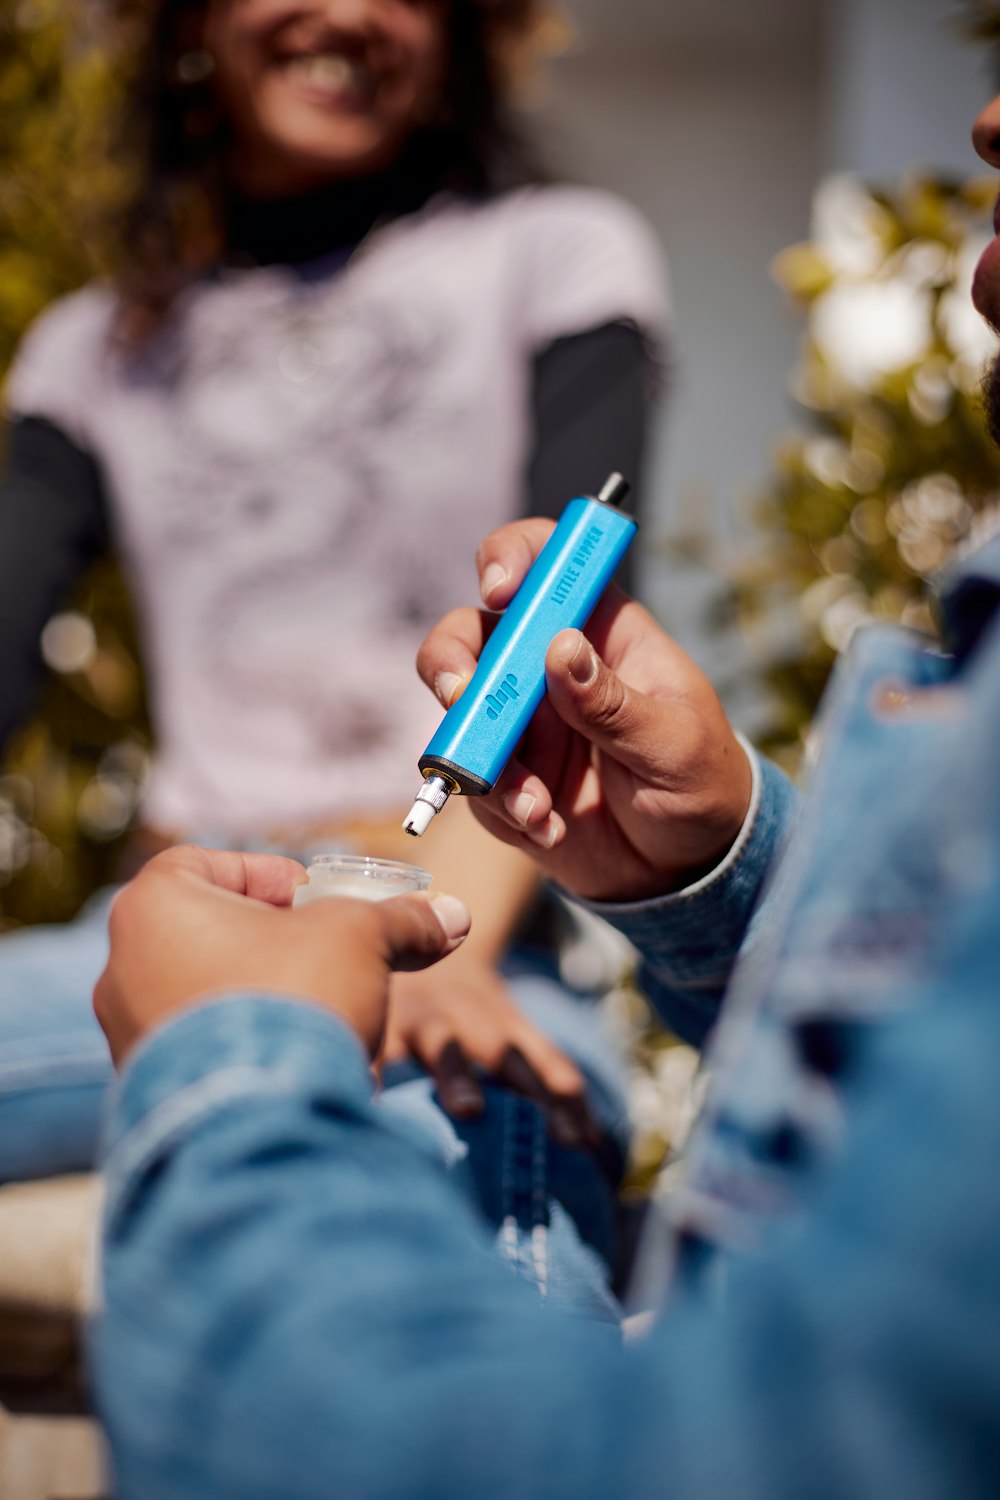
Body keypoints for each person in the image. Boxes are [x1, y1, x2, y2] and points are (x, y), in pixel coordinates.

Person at [83, 86, 1000, 1497]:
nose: (985, 120)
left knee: (468, 1092)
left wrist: (236, 1070)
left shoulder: (553, 258)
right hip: (251, 898)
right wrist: (718, 873)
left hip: (424, 935)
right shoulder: (95, 345)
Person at [0, 0, 667, 1302]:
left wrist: (438, 936)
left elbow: (571, 642)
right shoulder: (93, 351)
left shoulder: (558, 257)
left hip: (468, 911)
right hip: (173, 923)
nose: (349, 10)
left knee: (471, 1188)